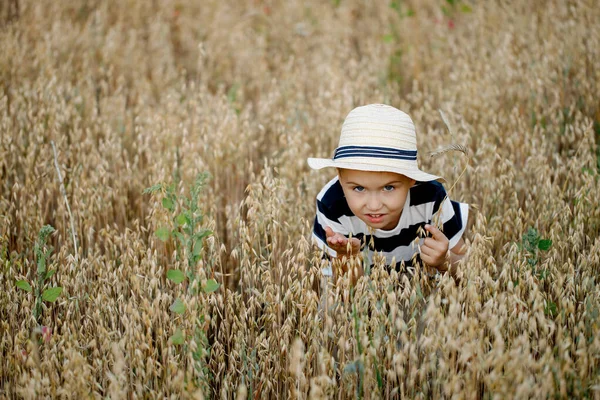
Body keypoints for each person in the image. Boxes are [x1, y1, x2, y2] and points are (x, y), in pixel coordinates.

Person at [307, 104, 468, 280]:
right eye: (358, 188)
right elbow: (344, 297)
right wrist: (348, 258)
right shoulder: (331, 203)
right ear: (339, 176)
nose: (374, 205)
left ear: (411, 179)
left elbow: (469, 268)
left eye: (389, 187)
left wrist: (445, 261)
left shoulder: (431, 197)